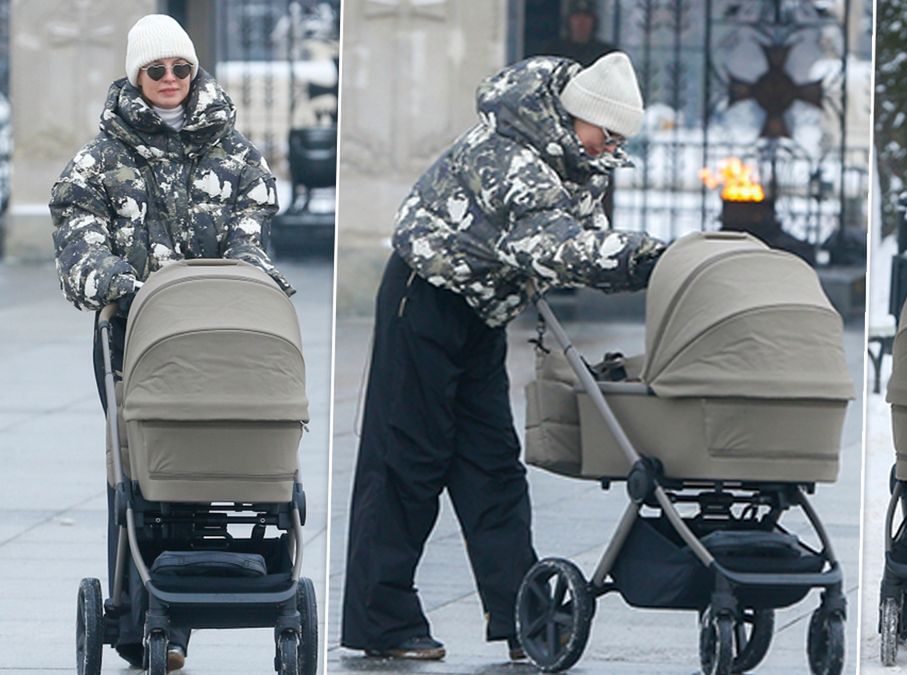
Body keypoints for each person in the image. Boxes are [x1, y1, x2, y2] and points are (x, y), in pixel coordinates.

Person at [341, 52, 665, 661]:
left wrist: (639, 258)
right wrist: (652, 258)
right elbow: (555, 244)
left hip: (482, 311)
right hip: (426, 297)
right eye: (608, 133)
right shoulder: (512, 152)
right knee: (407, 459)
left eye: (621, 138)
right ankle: (380, 620)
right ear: (578, 116)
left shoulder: (577, 156)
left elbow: (583, 237)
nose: (611, 147)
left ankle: (521, 612)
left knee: (492, 465)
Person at [49, 14, 293, 671]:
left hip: (219, 336)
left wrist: (242, 275)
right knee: (140, 473)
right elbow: (77, 242)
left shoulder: (231, 150)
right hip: (134, 338)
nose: (169, 80)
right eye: (155, 69)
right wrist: (123, 285)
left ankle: (190, 601)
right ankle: (141, 618)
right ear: (136, 74)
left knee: (217, 462)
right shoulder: (99, 159)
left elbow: (254, 222)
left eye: (180, 68)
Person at [544, 0, 618, 67]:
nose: (581, 22)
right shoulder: (554, 52)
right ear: (569, 20)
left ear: (594, 22)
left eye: (586, 17)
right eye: (577, 17)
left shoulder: (605, 54)